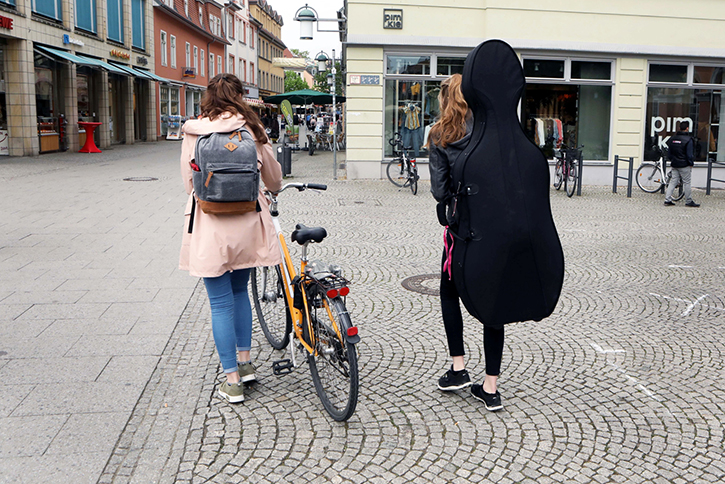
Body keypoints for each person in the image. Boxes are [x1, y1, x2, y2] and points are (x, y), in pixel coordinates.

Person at [179, 73, 283, 403]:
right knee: (240, 293)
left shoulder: (194, 131)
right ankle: (246, 363)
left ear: (208, 97)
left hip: (210, 225)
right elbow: (274, 178)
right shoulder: (252, 128)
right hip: (248, 222)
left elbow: (189, 183)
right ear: (239, 97)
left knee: (220, 302)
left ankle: (232, 381)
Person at [427, 73, 504, 412]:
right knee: (494, 302)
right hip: (495, 228)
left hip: (461, 230)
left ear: (445, 99)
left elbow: (439, 191)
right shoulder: (491, 131)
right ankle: (491, 387)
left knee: (449, 292)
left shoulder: (439, 134)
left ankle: (458, 368)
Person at [665, 121, 700, 207]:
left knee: (673, 181)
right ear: (687, 128)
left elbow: (669, 153)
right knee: (687, 183)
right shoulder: (688, 140)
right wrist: (691, 163)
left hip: (674, 164)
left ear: (679, 128)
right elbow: (689, 154)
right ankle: (689, 201)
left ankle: (667, 199)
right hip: (684, 165)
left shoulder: (672, 138)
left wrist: (673, 160)